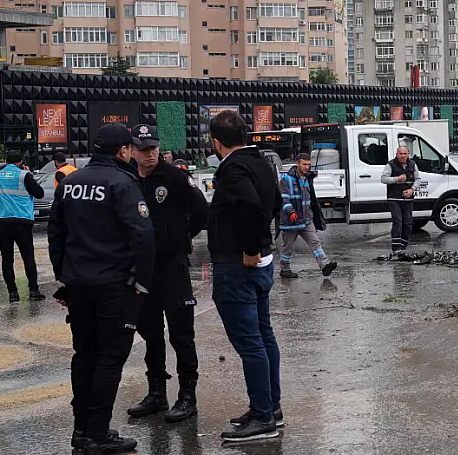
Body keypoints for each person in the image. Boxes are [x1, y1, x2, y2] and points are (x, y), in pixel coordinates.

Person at [48, 123, 156, 455]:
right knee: (110, 359)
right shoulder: (123, 182)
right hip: (113, 285)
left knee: (84, 357)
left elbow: (55, 234)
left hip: (78, 284)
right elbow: (143, 235)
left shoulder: (69, 183)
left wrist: (63, 277)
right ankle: (98, 433)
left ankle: (81, 431)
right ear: (123, 151)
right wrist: (142, 283)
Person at [206, 110, 284, 443]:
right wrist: (263, 243)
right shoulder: (261, 163)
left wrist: (251, 247)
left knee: (250, 342)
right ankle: (268, 407)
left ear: (215, 142)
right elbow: (277, 203)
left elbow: (252, 206)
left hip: (239, 265)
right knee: (263, 337)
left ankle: (263, 417)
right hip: (259, 261)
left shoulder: (234, 168)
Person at [126, 124, 209, 423]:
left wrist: (181, 236)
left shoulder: (174, 177)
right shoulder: (128, 180)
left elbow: (201, 212)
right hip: (142, 271)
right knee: (149, 333)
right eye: (143, 149)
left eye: (153, 148)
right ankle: (157, 393)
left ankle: (188, 395)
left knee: (181, 334)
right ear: (132, 150)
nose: (150, 154)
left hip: (172, 266)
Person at [0, 150, 46, 302]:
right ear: (21, 162)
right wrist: (30, 175)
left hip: (2, 221)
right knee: (28, 257)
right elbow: (39, 193)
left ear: (6, 161)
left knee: (7, 258)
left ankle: (12, 293)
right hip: (21, 221)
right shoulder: (24, 175)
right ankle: (33, 291)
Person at [278, 153, 335, 279]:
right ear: (297, 163)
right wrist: (291, 212)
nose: (307, 167)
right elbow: (284, 200)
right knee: (288, 247)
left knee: (315, 243)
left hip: (306, 220)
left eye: (308, 165)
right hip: (291, 221)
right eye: (304, 164)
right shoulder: (286, 180)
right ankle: (284, 269)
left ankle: (324, 265)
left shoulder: (307, 179)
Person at [380, 146, 417, 257]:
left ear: (408, 154)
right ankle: (396, 248)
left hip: (408, 198)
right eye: (400, 153)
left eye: (405, 153)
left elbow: (418, 179)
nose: (403, 156)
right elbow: (383, 179)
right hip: (394, 198)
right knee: (398, 222)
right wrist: (397, 179)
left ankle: (403, 246)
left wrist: (412, 189)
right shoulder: (390, 165)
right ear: (397, 154)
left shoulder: (413, 164)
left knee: (408, 224)